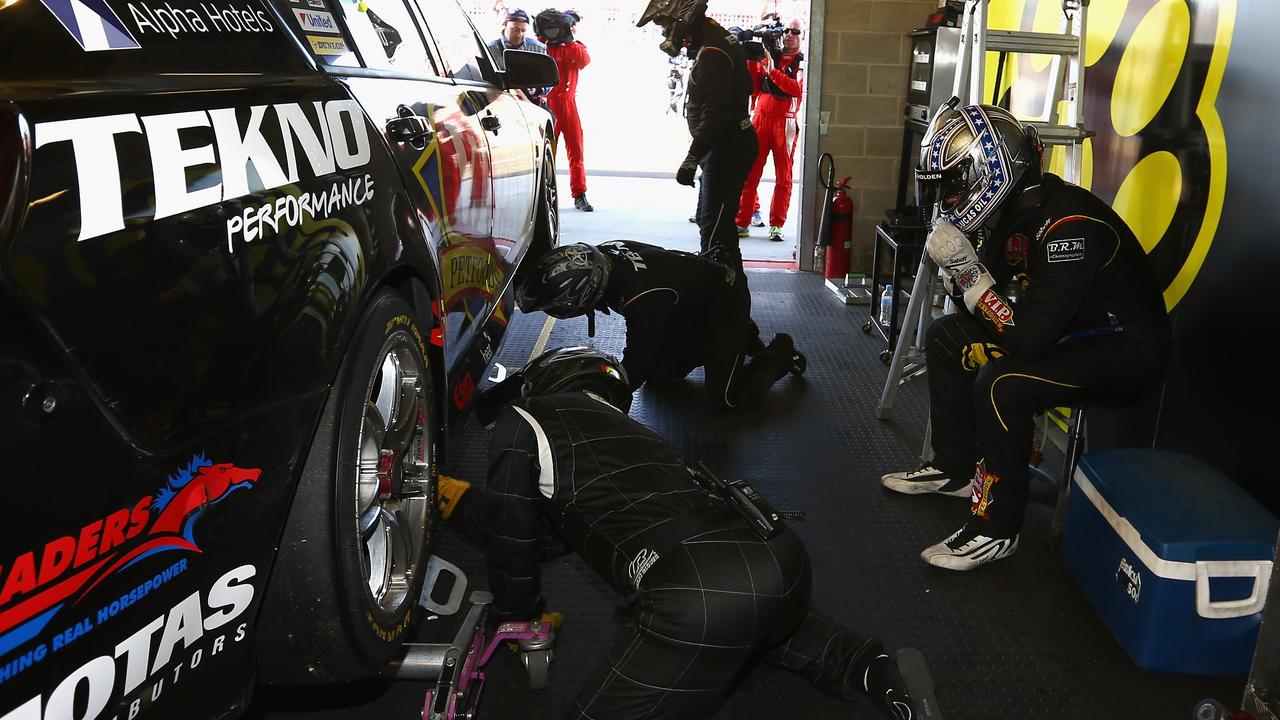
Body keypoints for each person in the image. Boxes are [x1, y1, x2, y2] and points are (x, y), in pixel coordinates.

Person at [437, 347, 920, 720]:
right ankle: (881, 673)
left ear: (542, 383)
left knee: (709, 624)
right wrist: (448, 497)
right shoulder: (632, 442)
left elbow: (510, 532)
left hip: (701, 592)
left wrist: (520, 617)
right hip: (778, 555)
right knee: (776, 629)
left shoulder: (524, 418)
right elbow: (550, 539)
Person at [880, 102, 1172, 570]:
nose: (949, 198)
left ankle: (997, 528)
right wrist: (967, 276)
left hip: (1125, 351)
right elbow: (980, 308)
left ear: (991, 170)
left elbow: (1028, 339)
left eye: (955, 184)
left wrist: (968, 272)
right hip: (1070, 334)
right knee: (945, 337)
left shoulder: (1068, 226)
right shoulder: (1018, 214)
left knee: (1004, 383)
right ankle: (955, 470)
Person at [514, 240, 805, 409]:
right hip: (688, 300)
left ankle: (781, 351)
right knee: (660, 375)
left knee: (727, 398)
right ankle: (731, 340)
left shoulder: (641, 295)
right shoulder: (604, 256)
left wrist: (605, 402)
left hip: (724, 298)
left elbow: (640, 357)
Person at [637, 0, 756, 273]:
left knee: (716, 234)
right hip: (727, 145)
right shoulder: (714, 38)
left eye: (664, 24)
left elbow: (715, 115)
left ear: (682, 19)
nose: (664, 31)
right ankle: (724, 303)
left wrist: (691, 159)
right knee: (713, 226)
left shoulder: (713, 51)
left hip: (727, 147)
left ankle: (729, 306)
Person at [735, 17, 805, 243]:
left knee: (783, 178)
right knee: (749, 173)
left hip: (785, 124)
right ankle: (742, 222)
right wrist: (754, 62)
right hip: (761, 120)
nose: (789, 35)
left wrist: (773, 71)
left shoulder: (803, 62)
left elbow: (795, 89)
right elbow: (752, 86)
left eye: (795, 31)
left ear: (802, 36)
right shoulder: (768, 54)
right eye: (787, 31)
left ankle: (777, 225)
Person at [538, 8, 593, 212]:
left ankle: (579, 194)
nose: (573, 28)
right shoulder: (542, 46)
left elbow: (584, 61)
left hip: (568, 104)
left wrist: (568, 40)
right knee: (544, 153)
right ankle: (542, 195)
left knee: (576, 150)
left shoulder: (573, 47)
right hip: (546, 103)